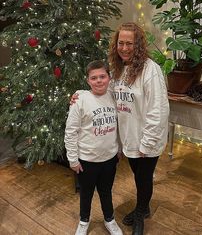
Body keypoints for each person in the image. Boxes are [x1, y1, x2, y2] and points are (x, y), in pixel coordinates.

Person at [71, 22, 169, 235]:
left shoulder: (151, 70)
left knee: (143, 178)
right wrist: (80, 95)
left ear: (139, 45)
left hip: (145, 139)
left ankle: (141, 214)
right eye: (121, 43)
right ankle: (143, 206)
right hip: (129, 138)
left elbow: (158, 110)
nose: (124, 48)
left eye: (129, 43)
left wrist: (147, 143)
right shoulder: (116, 69)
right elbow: (104, 90)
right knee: (138, 177)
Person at [65, 60, 123, 235]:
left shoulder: (113, 97)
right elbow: (71, 132)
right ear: (88, 80)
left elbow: (120, 125)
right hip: (87, 160)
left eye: (102, 76)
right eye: (94, 78)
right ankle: (84, 221)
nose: (99, 81)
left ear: (109, 78)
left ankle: (109, 219)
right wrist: (73, 159)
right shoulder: (80, 100)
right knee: (86, 193)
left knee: (106, 191)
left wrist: (119, 149)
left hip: (109, 159)